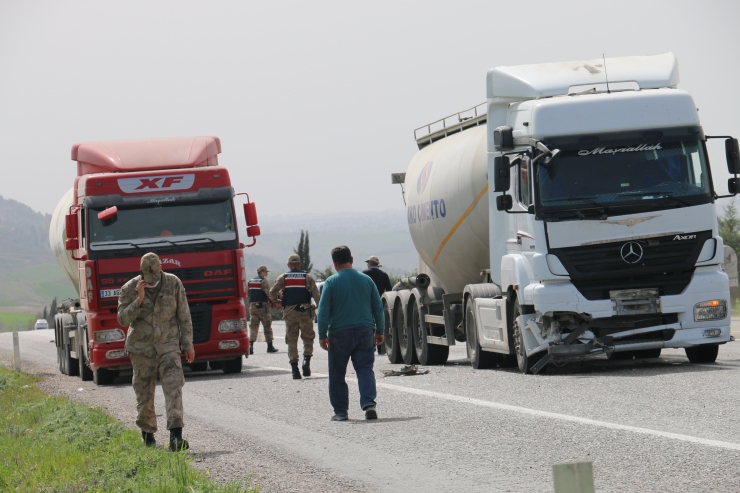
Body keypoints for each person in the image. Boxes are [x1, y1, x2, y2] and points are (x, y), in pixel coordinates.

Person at [117, 252, 194, 451]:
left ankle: (175, 437)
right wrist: (139, 300)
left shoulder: (173, 283)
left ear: (160, 269)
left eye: (154, 278)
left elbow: (184, 315)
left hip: (168, 346)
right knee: (144, 393)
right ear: (141, 273)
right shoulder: (129, 288)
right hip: (141, 349)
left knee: (173, 387)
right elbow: (123, 320)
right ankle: (148, 436)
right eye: (147, 279)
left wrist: (188, 345)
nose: (151, 282)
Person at [318, 245, 385, 421]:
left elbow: (323, 311)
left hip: (339, 333)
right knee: (364, 369)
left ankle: (341, 412)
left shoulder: (331, 282)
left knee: (337, 373)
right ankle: (369, 404)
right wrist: (380, 330)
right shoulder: (366, 280)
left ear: (334, 263)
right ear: (352, 259)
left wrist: (322, 334)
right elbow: (378, 308)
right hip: (364, 331)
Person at [270, 254, 321, 379]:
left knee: (292, 340)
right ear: (299, 264)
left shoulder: (284, 277)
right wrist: (321, 310)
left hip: (290, 312)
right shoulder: (307, 277)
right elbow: (317, 296)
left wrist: (278, 302)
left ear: (288, 265)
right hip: (305, 312)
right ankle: (306, 362)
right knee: (308, 338)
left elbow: (272, 293)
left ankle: (294, 370)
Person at [362, 255, 393, 354]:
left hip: (367, 303)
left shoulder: (364, 274)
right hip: (380, 302)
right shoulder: (384, 275)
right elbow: (389, 290)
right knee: (380, 324)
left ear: (370, 263)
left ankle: (371, 345)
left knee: (369, 324)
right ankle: (381, 348)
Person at [248, 265, 279, 354]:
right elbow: (268, 294)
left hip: (253, 307)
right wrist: (274, 303)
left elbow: (248, 294)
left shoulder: (250, 281)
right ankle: (270, 346)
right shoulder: (263, 281)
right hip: (263, 308)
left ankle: (250, 346)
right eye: (266, 272)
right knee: (267, 327)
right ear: (262, 272)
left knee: (253, 327)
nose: (266, 274)